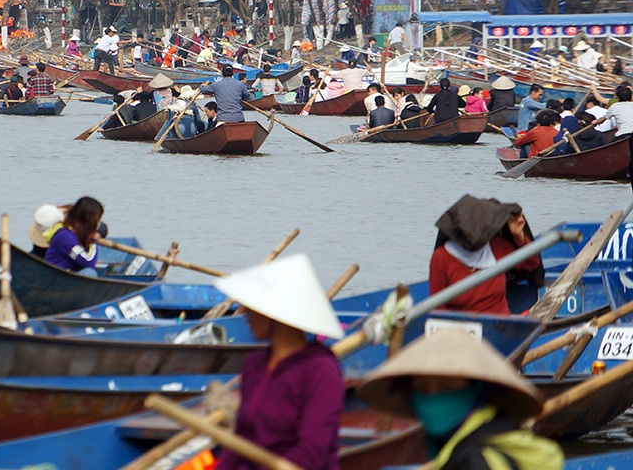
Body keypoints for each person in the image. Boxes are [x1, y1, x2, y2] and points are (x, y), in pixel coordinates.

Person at [358, 331, 563, 470]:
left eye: (446, 387)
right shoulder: (500, 438)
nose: (433, 398)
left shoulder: (471, 460)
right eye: (421, 388)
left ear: (477, 390)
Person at [213, 254, 345, 470]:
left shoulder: (321, 370)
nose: (245, 313)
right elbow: (241, 442)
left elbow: (311, 454)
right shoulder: (254, 365)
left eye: (253, 307)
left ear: (275, 315)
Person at [428, 195, 542, 314]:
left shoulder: (496, 247)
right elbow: (437, 307)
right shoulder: (441, 257)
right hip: (461, 327)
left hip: (501, 325)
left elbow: (531, 264)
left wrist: (519, 237)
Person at [43, 196, 104, 275]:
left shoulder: (77, 234)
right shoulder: (65, 237)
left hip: (67, 275)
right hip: (55, 279)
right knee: (89, 273)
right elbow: (88, 262)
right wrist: (93, 241)